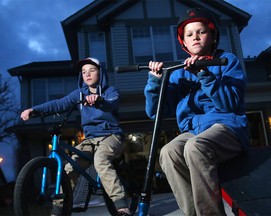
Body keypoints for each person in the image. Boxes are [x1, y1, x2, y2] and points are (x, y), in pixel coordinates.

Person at [144, 8, 249, 216]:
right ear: (183, 42)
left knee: (194, 147)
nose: (195, 37)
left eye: (201, 32)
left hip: (227, 128)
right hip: (194, 131)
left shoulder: (227, 61)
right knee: (168, 152)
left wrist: (204, 74)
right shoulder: (177, 73)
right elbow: (156, 112)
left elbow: (231, 103)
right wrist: (155, 82)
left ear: (212, 36)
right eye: (189, 34)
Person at [20, 57, 131, 216]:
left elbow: (111, 103)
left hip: (111, 136)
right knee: (69, 168)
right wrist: (34, 110)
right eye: (84, 72)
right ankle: (58, 211)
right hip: (90, 139)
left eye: (92, 70)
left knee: (101, 161)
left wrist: (98, 100)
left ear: (101, 73)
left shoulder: (110, 91)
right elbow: (59, 104)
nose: (87, 74)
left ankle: (122, 206)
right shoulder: (79, 94)